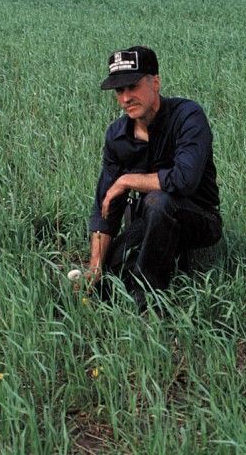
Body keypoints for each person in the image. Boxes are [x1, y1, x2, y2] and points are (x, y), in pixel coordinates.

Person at [84, 45, 222, 310]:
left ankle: (147, 300)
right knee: (110, 275)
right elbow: (106, 206)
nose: (125, 98)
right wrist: (94, 268)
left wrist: (126, 181)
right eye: (119, 91)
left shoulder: (188, 117)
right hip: (149, 220)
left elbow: (183, 180)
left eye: (132, 86)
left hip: (200, 219)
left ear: (155, 82)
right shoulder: (117, 135)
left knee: (158, 200)